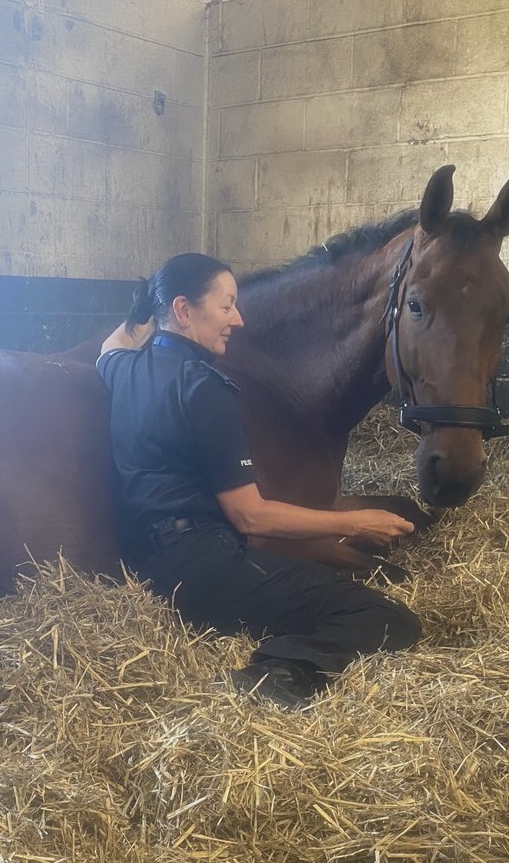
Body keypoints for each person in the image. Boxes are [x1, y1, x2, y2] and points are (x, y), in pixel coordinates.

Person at [96, 252, 421, 708]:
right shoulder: (205, 387)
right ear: (185, 310)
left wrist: (151, 303)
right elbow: (250, 517)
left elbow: (112, 342)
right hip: (201, 566)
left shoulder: (124, 369)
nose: (239, 319)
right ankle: (275, 672)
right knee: (386, 617)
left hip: (144, 563)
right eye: (226, 305)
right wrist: (357, 523)